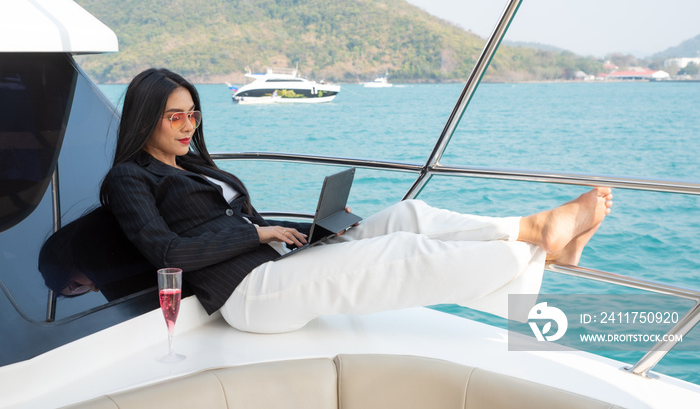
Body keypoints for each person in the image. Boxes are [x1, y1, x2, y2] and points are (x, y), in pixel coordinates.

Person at [100, 68, 613, 333]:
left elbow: (239, 225)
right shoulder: (131, 178)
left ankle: (535, 232)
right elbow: (167, 253)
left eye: (192, 113)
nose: (189, 125)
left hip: (276, 267)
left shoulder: (194, 168)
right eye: (175, 116)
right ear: (146, 117)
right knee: (395, 253)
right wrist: (257, 233)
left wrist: (310, 234)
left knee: (405, 215)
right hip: (247, 296)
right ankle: (540, 247)